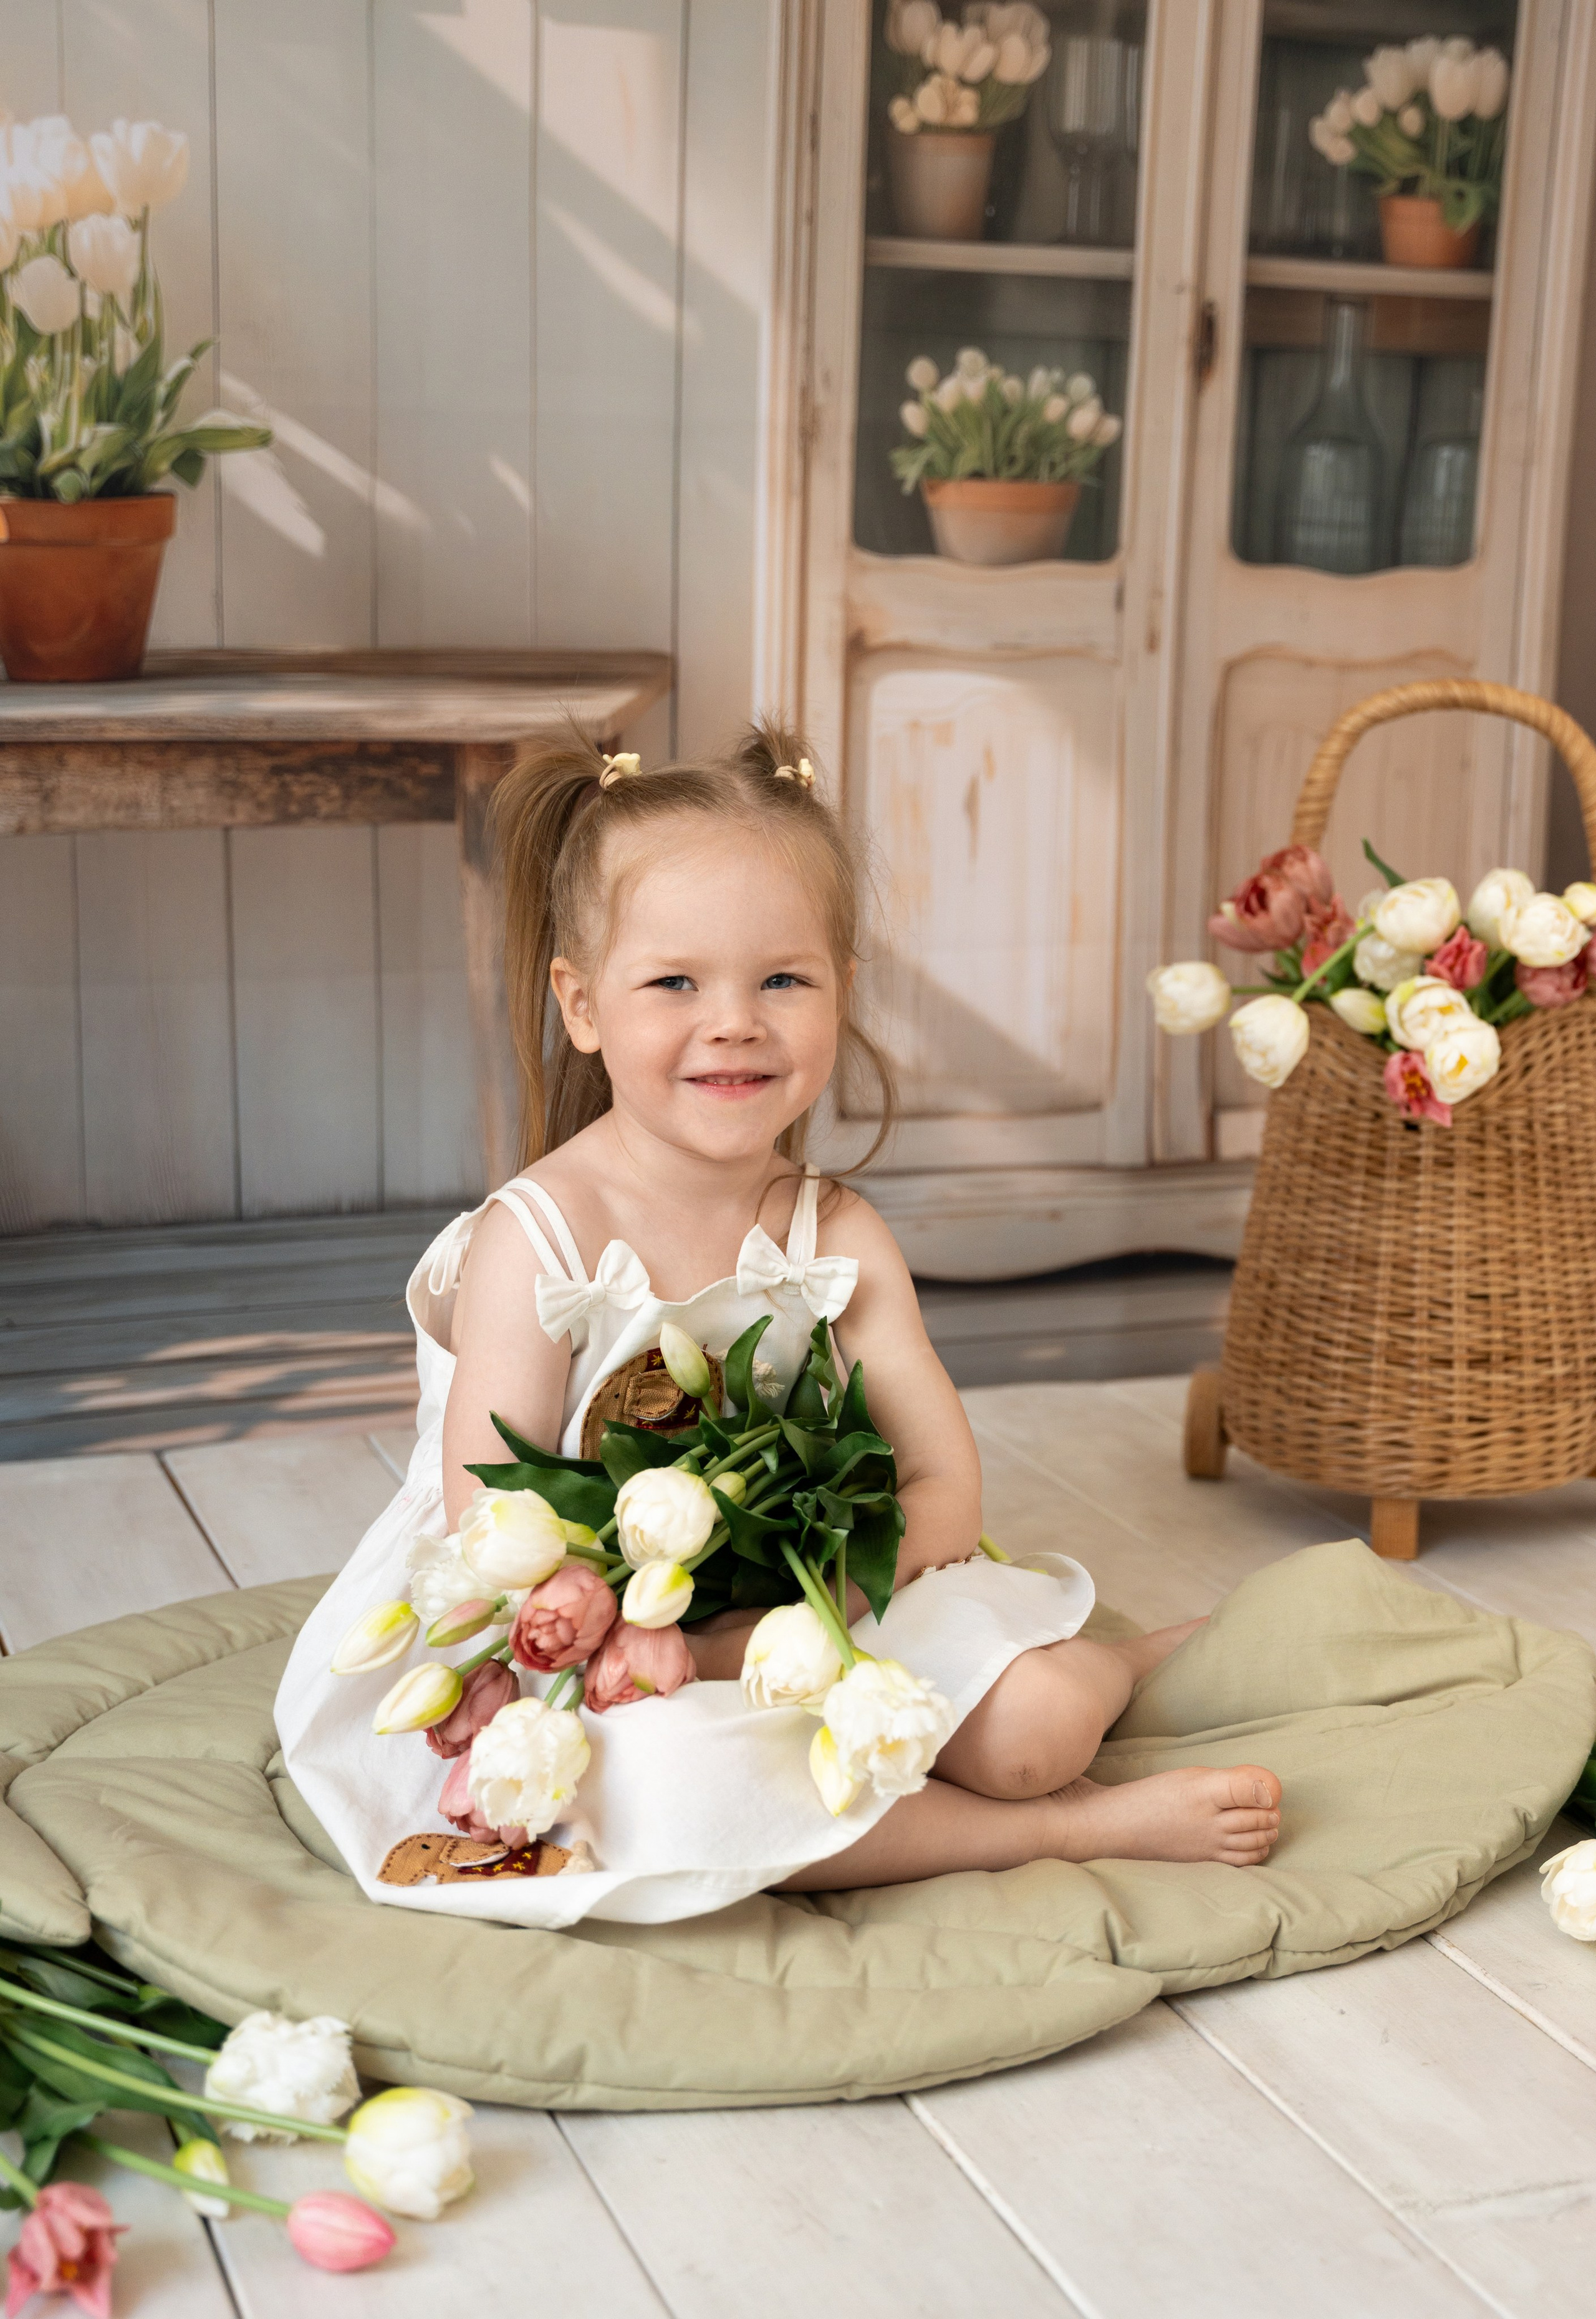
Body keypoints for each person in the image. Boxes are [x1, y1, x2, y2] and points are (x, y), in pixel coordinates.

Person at [275, 724, 1279, 1926]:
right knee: (667, 1787)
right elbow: (494, 1532)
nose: (736, 1022)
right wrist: (659, 1653)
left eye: (783, 980)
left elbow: (943, 1489)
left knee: (1038, 1730)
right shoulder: (534, 1243)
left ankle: (1124, 1663)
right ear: (583, 1005)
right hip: (570, 1635)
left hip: (819, 1597)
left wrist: (794, 1627)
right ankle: (1069, 1831)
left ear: (839, 989)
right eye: (676, 983)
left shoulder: (837, 1234)